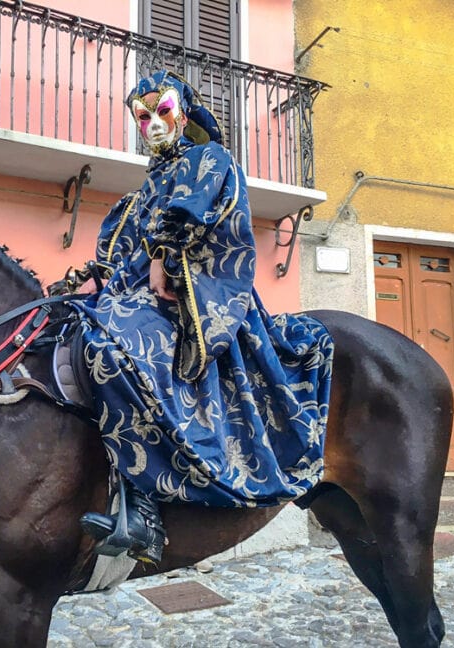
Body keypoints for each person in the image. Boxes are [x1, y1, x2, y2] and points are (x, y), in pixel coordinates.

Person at [71, 70, 334, 565]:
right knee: (73, 333)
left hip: (190, 294)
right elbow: (118, 253)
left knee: (115, 349)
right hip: (133, 296)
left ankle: (143, 511)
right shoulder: (138, 194)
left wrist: (163, 257)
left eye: (161, 112)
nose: (151, 124)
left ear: (184, 113)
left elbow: (199, 219)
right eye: (142, 116)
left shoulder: (208, 159)